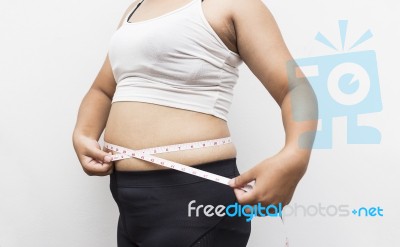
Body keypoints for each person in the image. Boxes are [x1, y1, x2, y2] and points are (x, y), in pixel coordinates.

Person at [72, 0, 318, 246]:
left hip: (197, 200)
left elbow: (294, 88)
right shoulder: (135, 9)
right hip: (129, 202)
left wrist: (295, 155)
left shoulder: (233, 4)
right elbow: (102, 90)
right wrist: (83, 134)